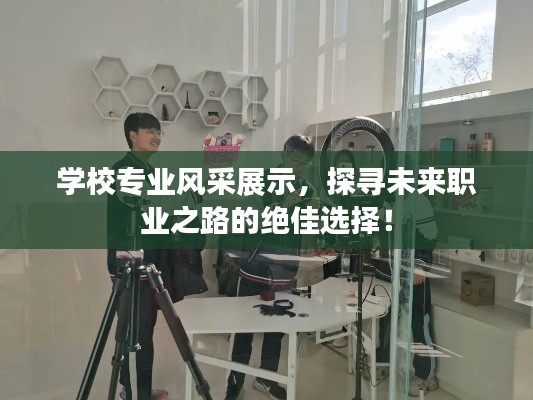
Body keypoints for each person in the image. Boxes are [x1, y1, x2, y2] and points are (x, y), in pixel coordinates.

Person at [224, 135, 319, 400]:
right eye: (295, 161)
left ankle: (266, 378)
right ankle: (234, 384)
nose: (299, 168)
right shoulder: (260, 180)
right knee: (244, 328)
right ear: (284, 155)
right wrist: (284, 205)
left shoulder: (307, 188)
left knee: (276, 328)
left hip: (285, 269)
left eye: (304, 164)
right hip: (254, 266)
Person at [107, 112, 173, 400]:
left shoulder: (151, 172)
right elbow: (145, 207)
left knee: (142, 330)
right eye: (150, 131)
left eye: (159, 131)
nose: (156, 136)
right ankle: (133, 392)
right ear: (132, 135)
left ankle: (135, 390)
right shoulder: (122, 170)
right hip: (130, 266)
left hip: (148, 264)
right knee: (135, 332)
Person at [371, 193, 440, 397]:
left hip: (413, 274)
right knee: (385, 320)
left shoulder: (419, 202)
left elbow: (430, 235)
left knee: (419, 323)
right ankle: (383, 363)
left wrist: (421, 264)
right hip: (387, 273)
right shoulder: (383, 202)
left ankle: (425, 376)